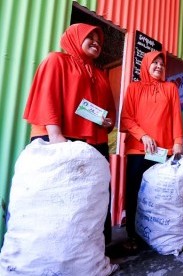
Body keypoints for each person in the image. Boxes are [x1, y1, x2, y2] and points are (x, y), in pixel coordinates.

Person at [23, 23, 116, 245]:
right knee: (57, 201)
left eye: (99, 40)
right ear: (75, 38)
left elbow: (108, 111)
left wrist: (107, 122)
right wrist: (55, 135)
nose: (96, 42)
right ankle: (56, 254)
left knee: (95, 198)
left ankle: (94, 252)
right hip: (60, 139)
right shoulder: (57, 60)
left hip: (94, 142)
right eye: (89, 37)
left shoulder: (100, 74)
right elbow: (47, 94)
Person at [120, 50, 183, 252]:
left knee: (159, 195)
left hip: (162, 151)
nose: (158, 66)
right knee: (134, 192)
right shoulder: (134, 88)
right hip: (138, 149)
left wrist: (178, 143)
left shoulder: (170, 88)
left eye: (161, 64)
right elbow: (127, 117)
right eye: (154, 63)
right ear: (145, 65)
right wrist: (143, 135)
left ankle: (155, 232)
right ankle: (131, 233)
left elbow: (175, 117)